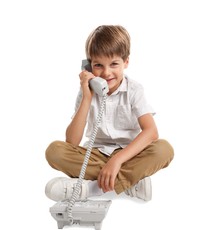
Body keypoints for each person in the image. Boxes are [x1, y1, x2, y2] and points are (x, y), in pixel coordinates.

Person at [45, 25, 174, 202]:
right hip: (96, 154)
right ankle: (130, 181)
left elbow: (151, 132)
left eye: (114, 64)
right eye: (98, 65)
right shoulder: (86, 92)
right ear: (89, 66)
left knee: (163, 149)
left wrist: (117, 161)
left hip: (130, 154)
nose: (106, 73)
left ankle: (91, 189)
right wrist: (87, 96)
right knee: (54, 151)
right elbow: (72, 141)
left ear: (126, 62)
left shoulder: (134, 90)